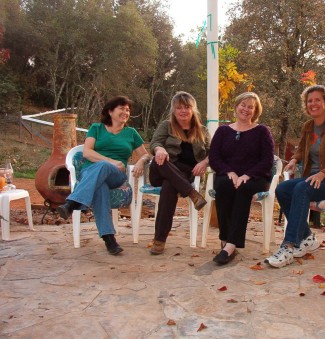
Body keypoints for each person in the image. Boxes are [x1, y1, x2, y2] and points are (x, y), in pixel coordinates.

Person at [266, 85, 325, 268]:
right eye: (309, 101)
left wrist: (323, 174)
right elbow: (300, 150)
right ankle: (307, 238)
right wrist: (293, 161)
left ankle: (288, 246)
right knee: (282, 189)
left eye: (317, 100)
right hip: (312, 179)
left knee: (301, 188)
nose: (313, 104)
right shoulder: (308, 127)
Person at [57, 96, 150, 255]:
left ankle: (72, 203)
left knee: (103, 167)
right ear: (110, 111)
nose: (125, 112)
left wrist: (141, 161)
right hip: (91, 171)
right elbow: (86, 152)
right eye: (121, 108)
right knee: (101, 186)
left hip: (116, 175)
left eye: (127, 110)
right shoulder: (96, 128)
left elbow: (146, 155)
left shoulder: (131, 133)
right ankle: (109, 239)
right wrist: (111, 161)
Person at [208, 92, 275, 265]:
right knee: (224, 186)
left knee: (243, 189)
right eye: (243, 105)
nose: (246, 109)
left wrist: (247, 175)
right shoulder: (223, 131)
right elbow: (214, 157)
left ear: (256, 110)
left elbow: (267, 160)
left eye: (251, 107)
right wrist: (229, 172)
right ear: (236, 106)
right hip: (229, 175)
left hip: (256, 177)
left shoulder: (262, 131)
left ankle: (230, 245)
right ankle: (227, 239)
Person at [148, 91, 210, 255]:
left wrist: (204, 162)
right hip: (161, 169)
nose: (183, 111)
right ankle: (191, 193)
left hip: (185, 173)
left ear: (193, 109)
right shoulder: (166, 125)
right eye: (179, 108)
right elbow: (155, 142)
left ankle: (159, 240)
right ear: (174, 110)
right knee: (161, 160)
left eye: (187, 107)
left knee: (170, 186)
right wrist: (160, 149)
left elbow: (213, 152)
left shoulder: (202, 130)